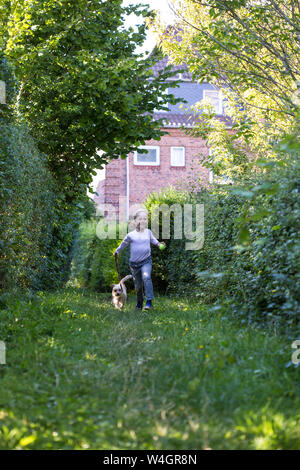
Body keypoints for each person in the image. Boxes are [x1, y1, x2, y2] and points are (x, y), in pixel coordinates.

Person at [113, 209, 166, 310]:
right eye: (140, 218)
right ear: (135, 221)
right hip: (134, 264)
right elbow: (123, 245)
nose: (143, 221)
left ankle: (149, 302)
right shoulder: (131, 235)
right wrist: (117, 251)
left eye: (145, 219)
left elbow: (155, 242)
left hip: (146, 261)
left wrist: (160, 245)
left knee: (146, 277)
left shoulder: (148, 232)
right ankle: (139, 303)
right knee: (138, 287)